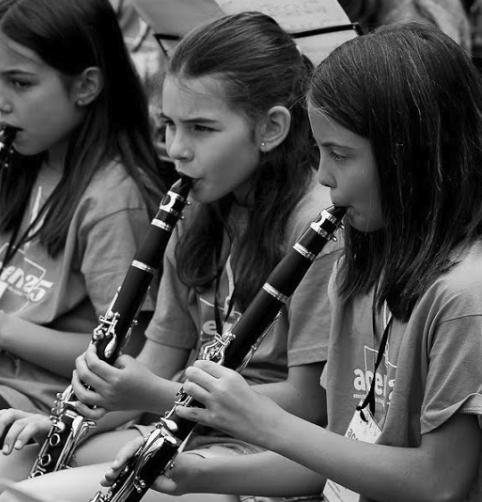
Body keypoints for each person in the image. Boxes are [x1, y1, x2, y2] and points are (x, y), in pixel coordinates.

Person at [96, 21, 482, 502]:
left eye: (340, 154)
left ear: (417, 158)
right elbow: (338, 453)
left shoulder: (464, 298)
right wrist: (198, 476)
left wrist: (262, 423)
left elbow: (439, 484)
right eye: (320, 152)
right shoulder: (360, 267)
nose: (323, 174)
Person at [0, 11, 341, 502]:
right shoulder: (196, 211)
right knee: (0, 474)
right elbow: (158, 357)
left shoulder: (317, 230)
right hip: (178, 431)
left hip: (259, 459)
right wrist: (63, 422)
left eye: (201, 129)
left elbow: (308, 404)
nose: (177, 150)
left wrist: (153, 393)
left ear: (271, 128)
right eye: (168, 126)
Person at [0, 0, 166, 456]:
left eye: (20, 82)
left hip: (30, 409)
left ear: (85, 86)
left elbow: (126, 354)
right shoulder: (16, 168)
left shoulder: (113, 200)